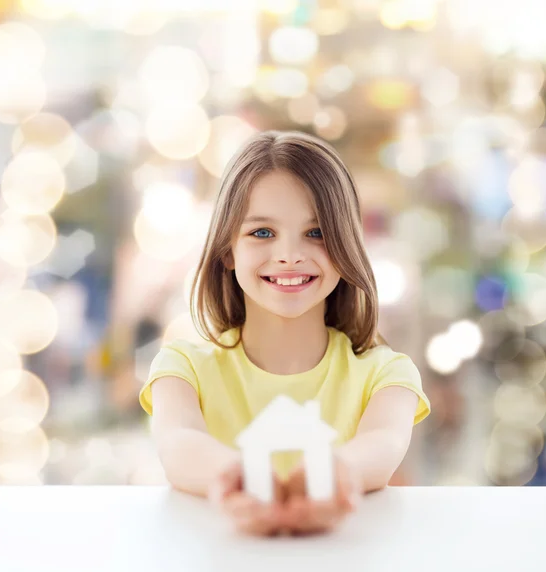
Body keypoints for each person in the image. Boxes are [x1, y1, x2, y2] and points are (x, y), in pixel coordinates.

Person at [138, 130, 431, 536]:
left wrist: (333, 477)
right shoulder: (182, 368)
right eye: (262, 233)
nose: (289, 255)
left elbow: (382, 444)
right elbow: (178, 442)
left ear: (346, 244)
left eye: (316, 233)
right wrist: (238, 481)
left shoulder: (387, 376)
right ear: (228, 249)